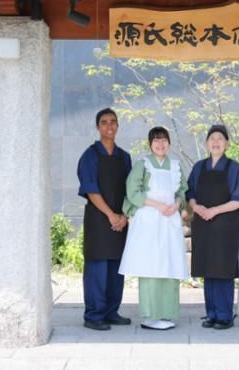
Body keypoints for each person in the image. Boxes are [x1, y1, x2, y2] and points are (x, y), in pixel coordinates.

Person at [119, 127, 189, 330]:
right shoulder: (143, 164)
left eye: (164, 140)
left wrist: (177, 205)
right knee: (150, 266)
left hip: (169, 219)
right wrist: (158, 205)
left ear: (169, 143)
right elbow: (132, 192)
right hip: (149, 218)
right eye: (156, 140)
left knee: (169, 264)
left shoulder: (175, 166)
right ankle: (150, 316)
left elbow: (182, 190)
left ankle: (166, 313)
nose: (160, 144)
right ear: (150, 144)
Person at [186, 125, 239, 330]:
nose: (216, 142)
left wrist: (214, 211)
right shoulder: (199, 167)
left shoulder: (234, 168)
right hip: (203, 225)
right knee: (208, 269)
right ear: (206, 143)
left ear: (227, 144)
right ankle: (211, 314)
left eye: (220, 138)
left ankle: (224, 316)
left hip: (225, 227)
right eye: (212, 138)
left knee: (223, 269)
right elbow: (190, 193)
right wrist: (197, 207)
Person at [77, 108, 132, 331]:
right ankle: (94, 315)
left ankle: (111, 312)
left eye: (113, 122)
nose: (109, 126)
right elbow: (91, 189)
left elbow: (131, 190)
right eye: (104, 122)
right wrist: (111, 215)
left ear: (118, 125)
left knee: (116, 268)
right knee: (97, 269)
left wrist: (124, 216)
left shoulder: (124, 157)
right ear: (97, 127)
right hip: (99, 220)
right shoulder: (90, 156)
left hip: (120, 220)